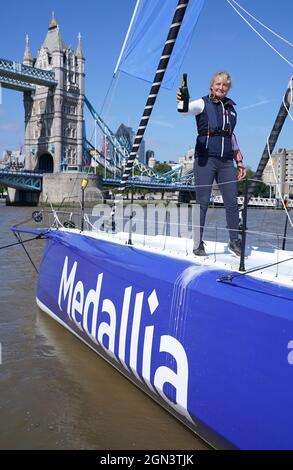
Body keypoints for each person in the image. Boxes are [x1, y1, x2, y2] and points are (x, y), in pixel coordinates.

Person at [177, 71, 246, 257]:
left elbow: (232, 138)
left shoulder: (232, 109)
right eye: (218, 84)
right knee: (202, 202)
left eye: (225, 85)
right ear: (212, 86)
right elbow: (184, 110)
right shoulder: (202, 103)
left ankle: (234, 242)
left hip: (225, 162)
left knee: (232, 202)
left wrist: (239, 162)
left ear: (228, 88)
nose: (221, 87)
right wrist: (182, 99)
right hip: (205, 159)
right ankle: (198, 243)